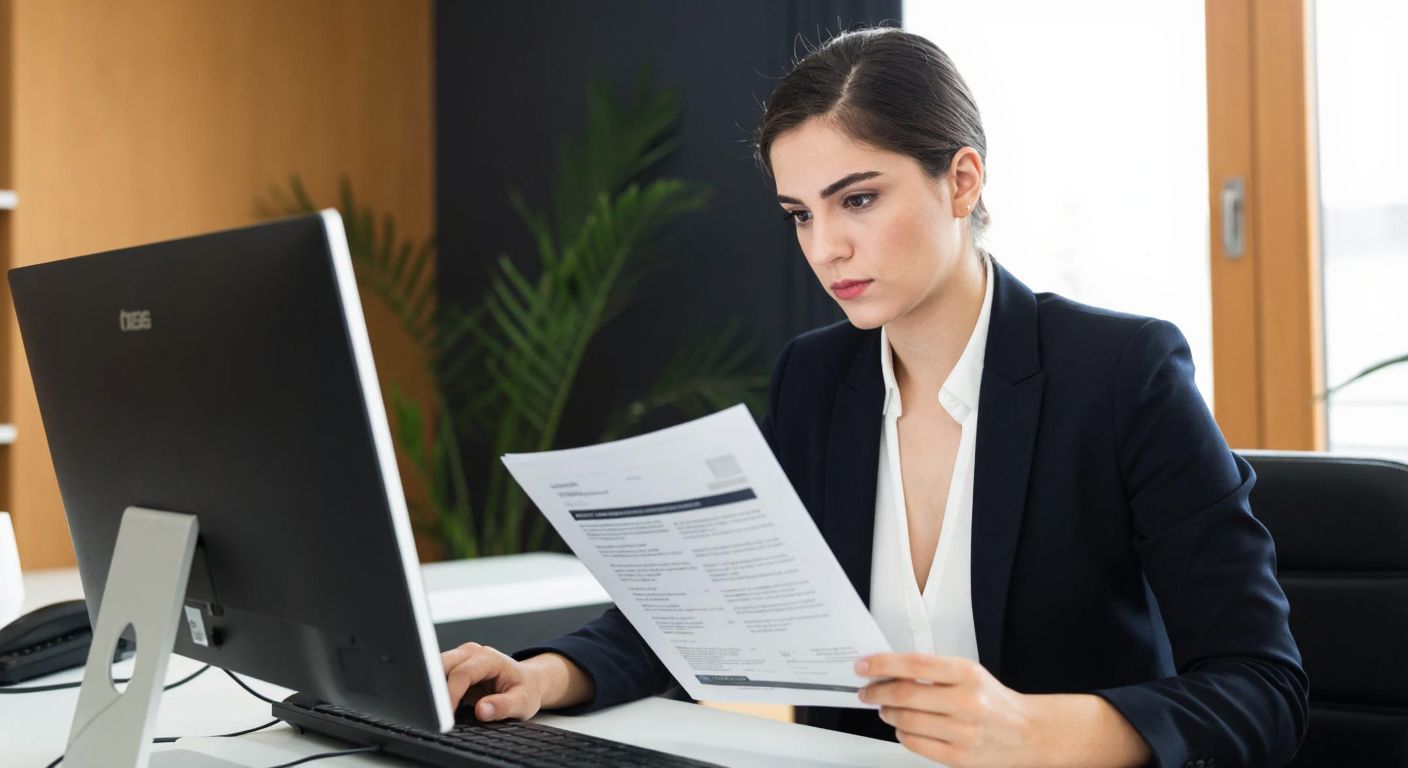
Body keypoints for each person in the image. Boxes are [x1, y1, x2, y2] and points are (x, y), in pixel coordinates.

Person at [439, 27, 1308, 768]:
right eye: (801, 215)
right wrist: (546, 675)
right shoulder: (819, 381)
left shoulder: (1122, 373)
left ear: (961, 182)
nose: (826, 248)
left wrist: (1037, 728)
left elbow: (1263, 688)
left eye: (858, 199)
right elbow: (707, 602)